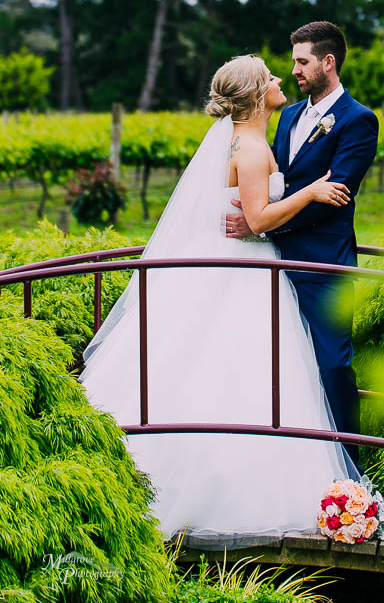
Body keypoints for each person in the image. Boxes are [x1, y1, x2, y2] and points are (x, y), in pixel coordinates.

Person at [79, 55, 357, 545]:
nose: (278, 80)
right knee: (242, 369)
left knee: (229, 369)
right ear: (255, 95)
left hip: (244, 265)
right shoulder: (249, 148)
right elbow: (260, 217)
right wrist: (311, 191)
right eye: (269, 75)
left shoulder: (246, 140)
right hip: (244, 272)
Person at [226, 21, 379, 464]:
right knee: (279, 366)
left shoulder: (358, 120)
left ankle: (351, 468)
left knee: (332, 364)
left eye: (302, 61)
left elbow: (336, 195)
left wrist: (262, 224)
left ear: (328, 63)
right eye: (293, 61)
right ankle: (288, 464)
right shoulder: (288, 116)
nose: (293, 69)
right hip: (270, 264)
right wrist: (257, 215)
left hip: (322, 265)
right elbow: (278, 184)